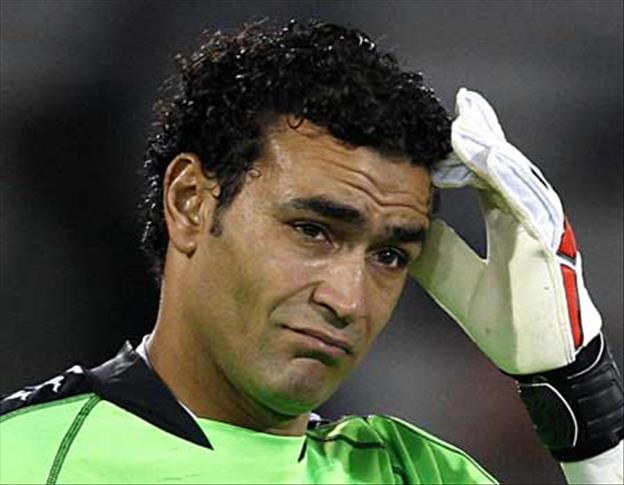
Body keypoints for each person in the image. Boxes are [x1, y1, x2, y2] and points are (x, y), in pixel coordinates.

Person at [1, 19, 622, 484]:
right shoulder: (25, 460)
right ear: (190, 202)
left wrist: (586, 413)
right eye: (313, 230)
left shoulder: (416, 473)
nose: (347, 301)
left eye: (389, 256)